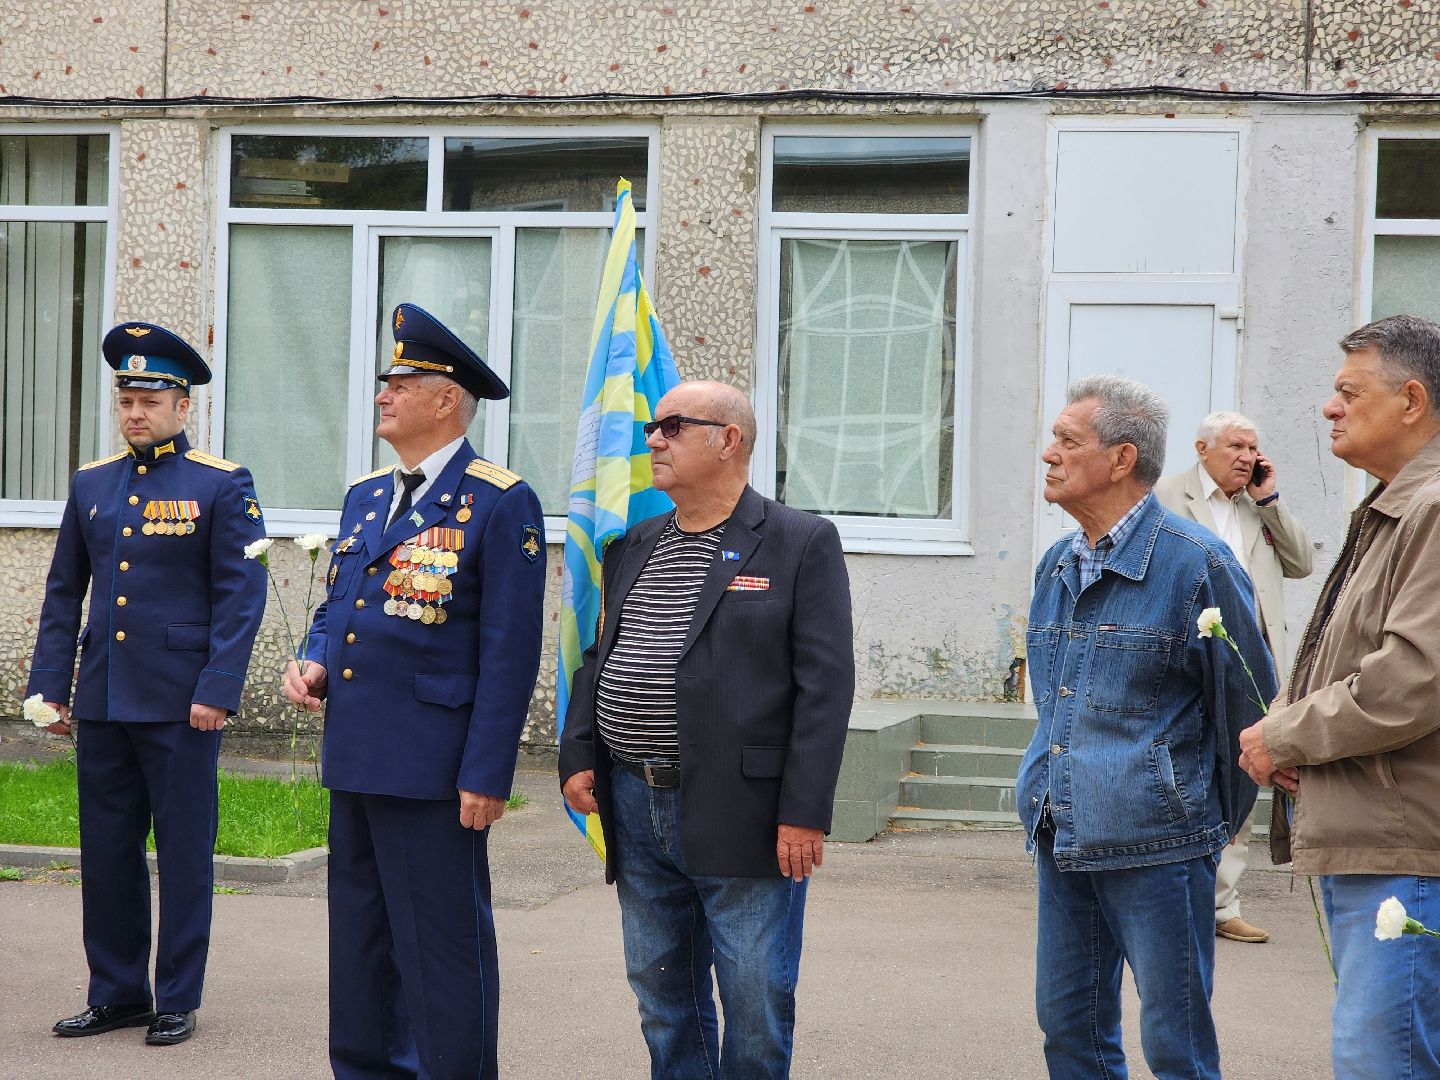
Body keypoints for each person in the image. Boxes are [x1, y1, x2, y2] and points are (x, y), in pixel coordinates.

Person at [559, 380, 854, 1080]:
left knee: (753, 998)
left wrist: (804, 811)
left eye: (672, 426)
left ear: (729, 440)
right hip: (633, 799)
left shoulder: (798, 542)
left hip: (743, 808)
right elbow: (600, 656)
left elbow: (825, 687)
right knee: (662, 993)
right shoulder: (632, 544)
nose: (652, 440)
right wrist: (578, 754)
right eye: (651, 427)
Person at [282, 303, 545, 1080]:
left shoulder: (499, 501)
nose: (382, 395)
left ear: (445, 399)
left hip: (436, 770)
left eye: (400, 384)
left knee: (441, 949)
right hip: (357, 755)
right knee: (359, 942)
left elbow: (509, 652)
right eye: (385, 382)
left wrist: (486, 773)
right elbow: (339, 602)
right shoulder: (367, 495)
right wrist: (313, 658)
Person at [1017, 374, 1276, 1080]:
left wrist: (1203, 824)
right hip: (1062, 829)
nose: (1049, 453)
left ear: (1122, 458)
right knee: (1068, 1029)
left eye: (1067, 440)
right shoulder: (1056, 565)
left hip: (1162, 844)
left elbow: (1248, 712)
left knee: (1175, 1045)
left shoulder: (1198, 564)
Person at [28, 322, 267, 1046]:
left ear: (183, 406)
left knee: (184, 853)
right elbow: (64, 591)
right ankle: (117, 992)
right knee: (106, 852)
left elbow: (240, 595)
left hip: (181, 702)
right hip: (104, 696)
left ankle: (176, 998)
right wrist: (50, 687)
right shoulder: (92, 483)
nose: (135, 413)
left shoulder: (220, 484)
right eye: (126, 401)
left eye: (150, 401)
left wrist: (218, 687)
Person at [1238, 314, 1440, 1079]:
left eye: (1349, 393)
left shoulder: (1432, 507)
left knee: (1385, 1063)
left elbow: (1412, 679)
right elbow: (1352, 654)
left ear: (1412, 401)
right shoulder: (1399, 504)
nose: (1329, 407)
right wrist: (1291, 728)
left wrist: (1285, 736)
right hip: (1384, 836)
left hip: (1405, 848)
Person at [1155, 411, 1313, 944]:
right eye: (1235, 447)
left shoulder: (1257, 505)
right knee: (1185, 770)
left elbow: (1302, 563)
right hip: (1186, 658)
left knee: (1245, 770)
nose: (1247, 458)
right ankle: (1174, 896)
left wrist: (1270, 502)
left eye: (1252, 448)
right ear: (1202, 449)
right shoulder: (1166, 495)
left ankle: (1222, 905)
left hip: (1250, 661)